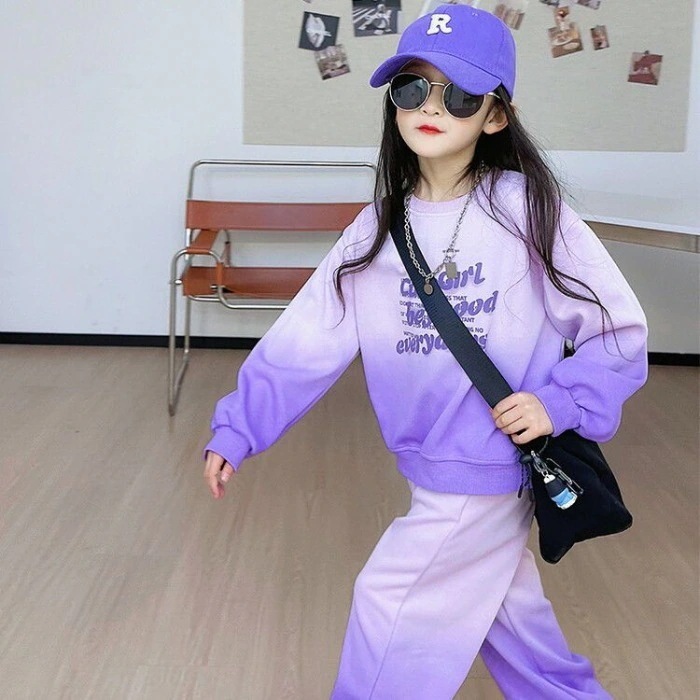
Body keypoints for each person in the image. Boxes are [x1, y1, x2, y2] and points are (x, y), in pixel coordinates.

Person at [203, 5, 648, 698]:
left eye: (460, 94)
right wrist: (241, 425)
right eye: (412, 87)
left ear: (495, 116)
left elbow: (617, 330)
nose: (431, 107)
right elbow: (307, 338)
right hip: (430, 459)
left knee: (391, 602)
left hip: (486, 462)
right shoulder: (376, 229)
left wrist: (560, 402)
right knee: (516, 626)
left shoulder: (528, 211)